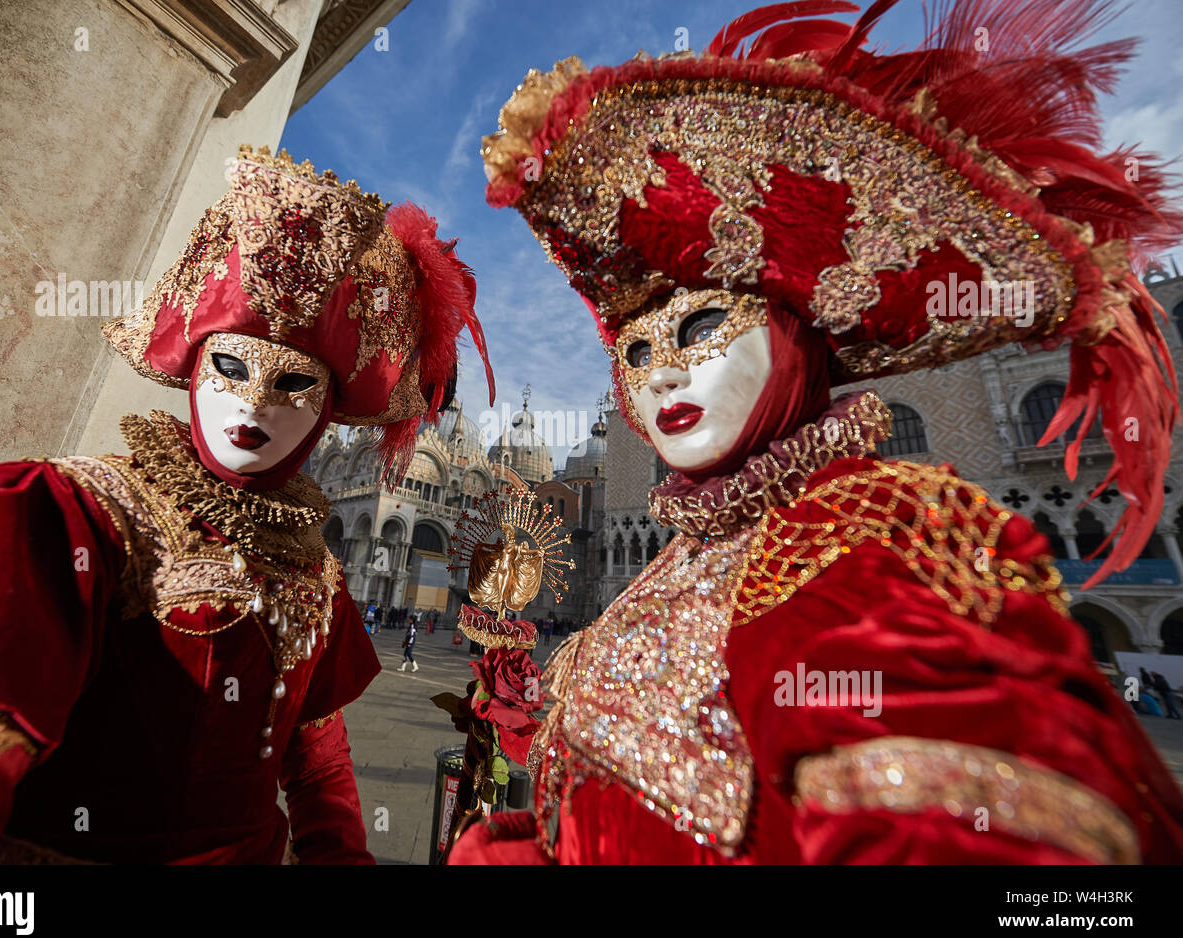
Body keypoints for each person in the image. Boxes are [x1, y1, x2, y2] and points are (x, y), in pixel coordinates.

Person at [452, 0, 1183, 865]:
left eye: (699, 331)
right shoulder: (681, 553)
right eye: (637, 353)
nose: (663, 375)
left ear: (797, 341)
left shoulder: (859, 542)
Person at [0, 146, 493, 864]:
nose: (254, 402)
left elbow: (319, 763)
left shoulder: (316, 577)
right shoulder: (79, 515)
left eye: (294, 382)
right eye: (231, 366)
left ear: (329, 407)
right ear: (194, 364)